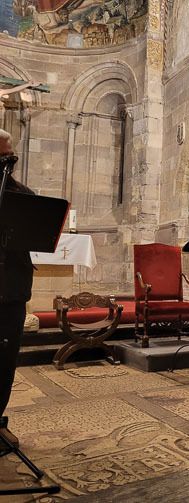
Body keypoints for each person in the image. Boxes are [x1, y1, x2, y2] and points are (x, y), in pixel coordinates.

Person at [0, 129, 34, 446]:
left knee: (5, 360)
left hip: (11, 290)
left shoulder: (23, 195)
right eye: (2, 156)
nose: (7, 162)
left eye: (9, 157)